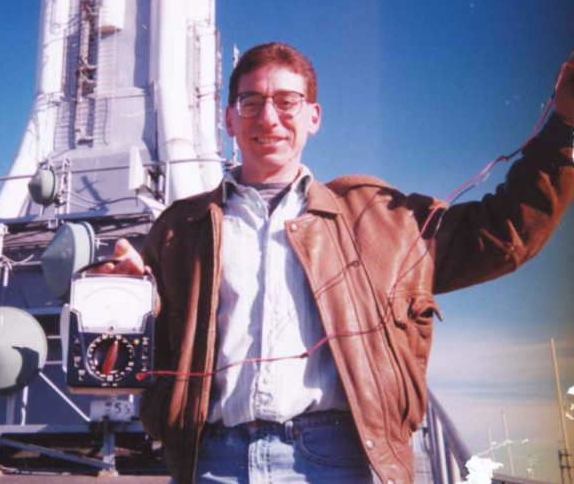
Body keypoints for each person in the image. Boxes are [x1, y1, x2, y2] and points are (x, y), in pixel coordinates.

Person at [96, 42, 574, 483]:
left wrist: (564, 129)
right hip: (214, 458)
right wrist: (126, 302)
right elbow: (147, 351)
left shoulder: (379, 220)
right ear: (229, 119)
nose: (269, 117)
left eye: (287, 102)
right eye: (251, 102)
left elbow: (501, 235)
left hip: (337, 458)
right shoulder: (181, 228)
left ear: (314, 117)